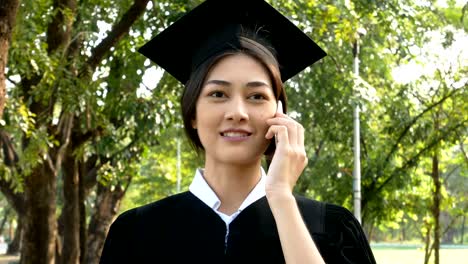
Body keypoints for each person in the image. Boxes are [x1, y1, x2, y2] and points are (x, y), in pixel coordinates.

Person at [100, 0, 376, 263]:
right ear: (192, 113)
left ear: (279, 113)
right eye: (218, 93)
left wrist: (280, 196)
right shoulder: (137, 233)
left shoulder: (331, 228)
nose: (238, 112)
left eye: (256, 96)